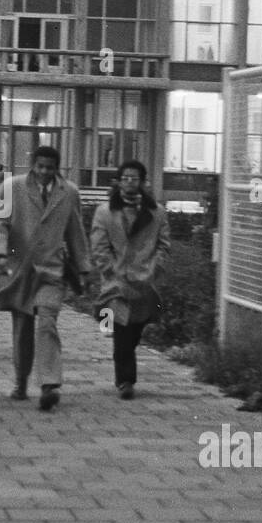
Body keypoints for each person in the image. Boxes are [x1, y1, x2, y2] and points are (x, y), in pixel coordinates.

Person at [0, 146, 90, 411]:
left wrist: (84, 268)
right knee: (22, 330)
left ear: (57, 168)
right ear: (32, 165)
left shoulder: (69, 193)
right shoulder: (11, 188)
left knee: (47, 321)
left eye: (50, 167)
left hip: (52, 270)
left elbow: (75, 232)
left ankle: (49, 384)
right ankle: (21, 381)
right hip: (20, 270)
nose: (45, 172)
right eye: (40, 166)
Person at [90, 160, 171, 400]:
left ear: (143, 182)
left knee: (134, 331)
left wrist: (154, 270)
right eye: (125, 178)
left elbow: (164, 246)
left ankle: (125, 374)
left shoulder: (156, 213)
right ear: (118, 181)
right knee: (122, 331)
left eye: (134, 178)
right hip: (116, 282)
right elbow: (99, 246)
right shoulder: (105, 212)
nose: (129, 182)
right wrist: (110, 270)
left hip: (145, 282)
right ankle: (125, 380)